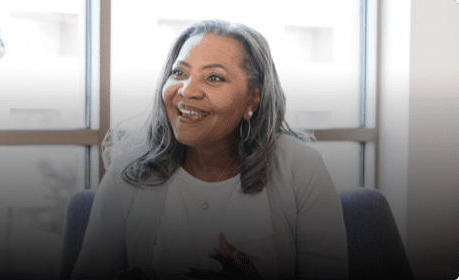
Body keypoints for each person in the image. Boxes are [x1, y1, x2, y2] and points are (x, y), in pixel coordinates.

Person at [70, 20, 348, 280]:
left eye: (214, 78)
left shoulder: (302, 169)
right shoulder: (130, 170)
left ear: (254, 96)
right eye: (179, 73)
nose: (187, 91)